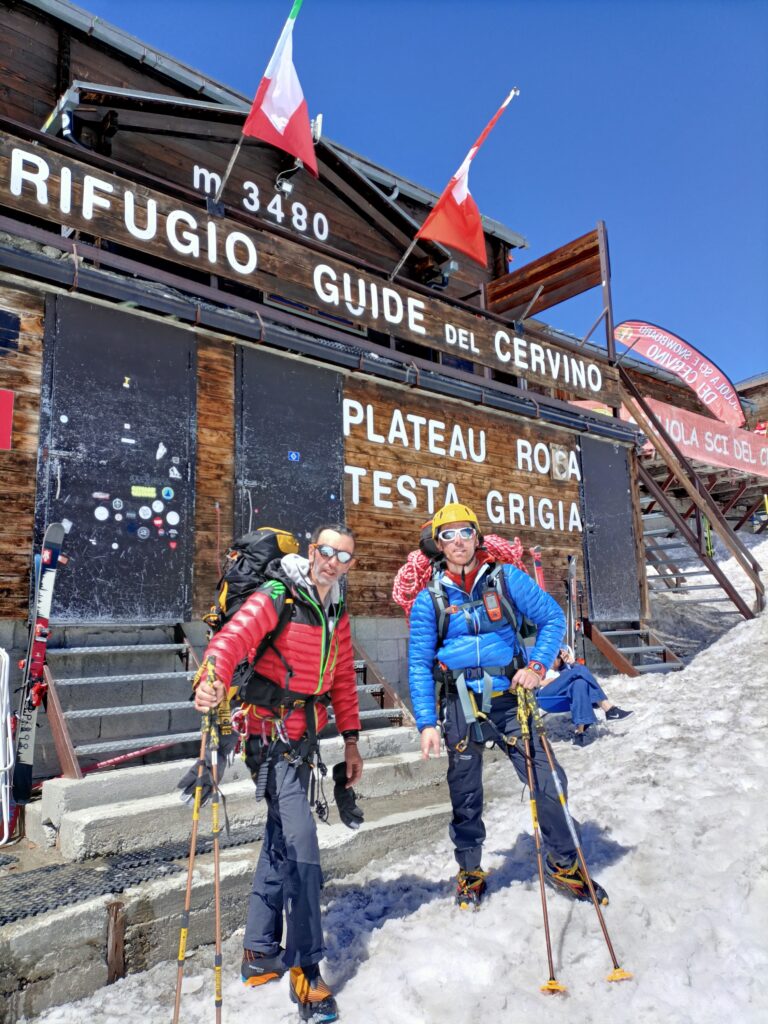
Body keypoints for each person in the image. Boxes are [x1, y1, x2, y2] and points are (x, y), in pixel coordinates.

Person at [189, 524, 362, 1024]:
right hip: (267, 738)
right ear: (313, 552)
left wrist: (350, 742)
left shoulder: (337, 610)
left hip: (305, 738)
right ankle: (306, 968)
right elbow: (232, 638)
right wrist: (211, 679)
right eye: (326, 551)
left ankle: (260, 951)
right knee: (303, 843)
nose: (332, 561)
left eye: (343, 556)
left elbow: (344, 680)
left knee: (280, 839)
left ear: (350, 564)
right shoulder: (278, 594)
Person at [407, 502, 609, 908]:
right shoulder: (429, 599)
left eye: (466, 532)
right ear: (439, 544)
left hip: (510, 701)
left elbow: (552, 617)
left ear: (477, 536)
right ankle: (470, 871)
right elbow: (417, 662)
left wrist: (537, 665)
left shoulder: (505, 579)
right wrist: (427, 721)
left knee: (549, 782)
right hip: (461, 705)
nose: (459, 541)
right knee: (464, 795)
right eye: (449, 535)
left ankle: (563, 862)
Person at [538, 645, 633, 745]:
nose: (555, 659)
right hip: (545, 695)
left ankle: (580, 732)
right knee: (580, 670)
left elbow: (580, 675)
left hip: (563, 696)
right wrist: (542, 682)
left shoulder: (564, 672)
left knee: (580, 683)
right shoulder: (540, 668)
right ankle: (609, 709)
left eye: (557, 656)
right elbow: (527, 680)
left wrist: (572, 662)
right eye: (553, 655)